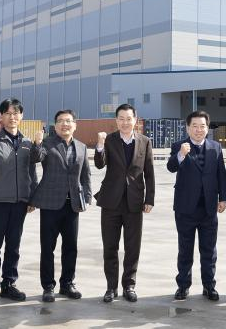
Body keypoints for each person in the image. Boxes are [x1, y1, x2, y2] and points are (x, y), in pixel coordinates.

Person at [94, 104, 155, 303]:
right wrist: (100, 145)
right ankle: (111, 287)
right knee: (110, 246)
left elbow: (149, 172)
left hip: (134, 202)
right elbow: (100, 164)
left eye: (129, 118)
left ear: (135, 120)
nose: (125, 122)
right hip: (111, 201)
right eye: (121, 118)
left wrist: (150, 199)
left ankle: (129, 285)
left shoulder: (145, 141)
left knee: (132, 247)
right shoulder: (110, 140)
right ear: (116, 120)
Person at [0, 98, 37, 305]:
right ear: (1, 116)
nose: (12, 117)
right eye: (8, 113)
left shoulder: (27, 143)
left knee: (13, 245)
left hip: (20, 202)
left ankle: (9, 284)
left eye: (16, 113)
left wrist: (32, 197)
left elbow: (31, 172)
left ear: (21, 116)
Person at [30, 109, 92, 302]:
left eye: (68, 121)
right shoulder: (47, 143)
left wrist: (87, 197)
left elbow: (86, 175)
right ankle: (48, 286)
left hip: (72, 204)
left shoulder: (81, 147)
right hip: (50, 204)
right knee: (48, 247)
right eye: (60, 121)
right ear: (55, 125)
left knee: (71, 247)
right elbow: (36, 158)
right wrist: (37, 143)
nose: (65, 124)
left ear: (75, 125)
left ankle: (67, 284)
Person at [167, 110, 226, 301]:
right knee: (185, 249)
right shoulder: (179, 146)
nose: (198, 130)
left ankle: (209, 286)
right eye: (194, 126)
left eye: (202, 126)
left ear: (207, 128)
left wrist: (223, 198)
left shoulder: (215, 147)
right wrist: (180, 155)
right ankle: (183, 286)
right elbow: (171, 167)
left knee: (209, 250)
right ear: (187, 128)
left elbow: (221, 174)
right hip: (185, 208)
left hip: (209, 208)